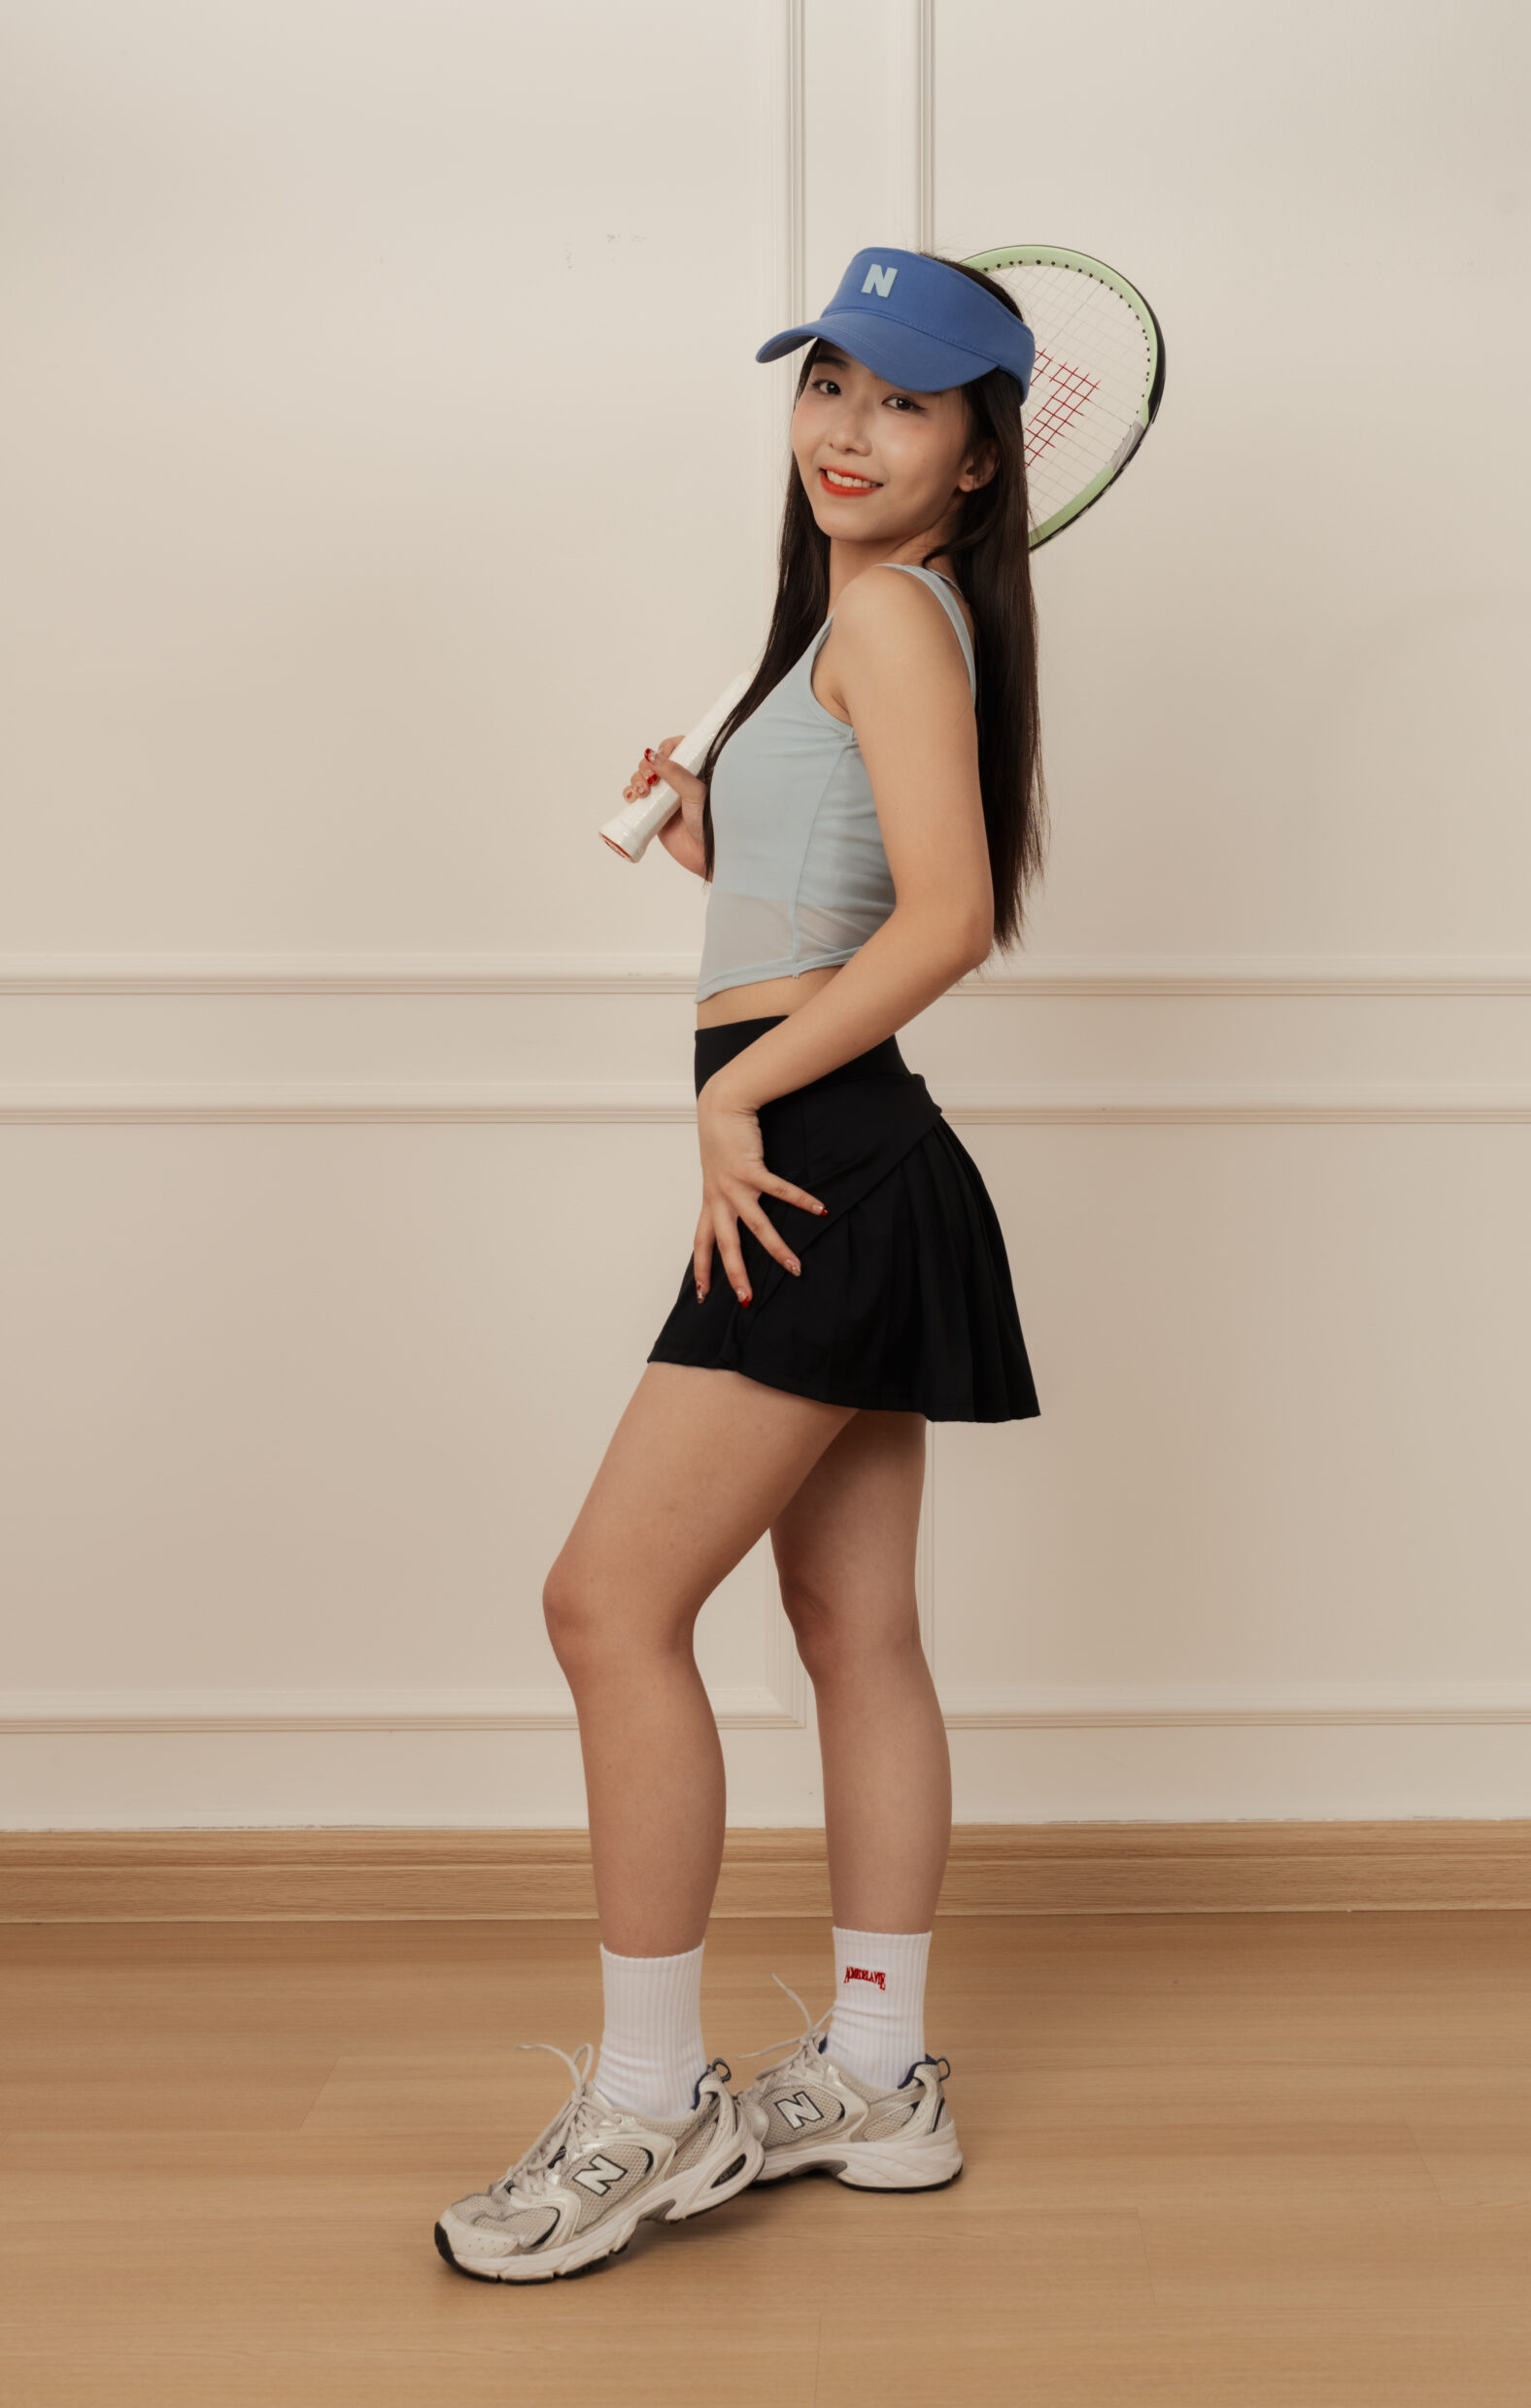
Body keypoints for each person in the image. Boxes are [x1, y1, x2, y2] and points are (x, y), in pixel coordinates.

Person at [435, 248, 1046, 2283]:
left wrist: (741, 1097)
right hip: (848, 1147)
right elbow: (846, 889)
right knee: (850, 1623)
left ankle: (648, 2103)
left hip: (820, 1150)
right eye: (827, 385)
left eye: (904, 403)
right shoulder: (868, 621)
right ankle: (875, 2072)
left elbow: (948, 916)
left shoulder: (884, 613)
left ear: (981, 455)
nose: (847, 433)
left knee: (606, 1604)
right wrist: (723, 832)